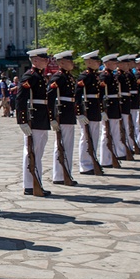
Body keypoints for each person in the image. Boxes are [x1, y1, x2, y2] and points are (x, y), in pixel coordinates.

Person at [16, 48, 52, 196]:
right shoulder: (29, 76)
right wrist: (22, 120)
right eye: (44, 59)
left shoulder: (39, 76)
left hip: (41, 117)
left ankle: (36, 181)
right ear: (35, 60)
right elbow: (21, 98)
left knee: (38, 152)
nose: (47, 61)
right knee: (31, 152)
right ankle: (29, 184)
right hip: (34, 117)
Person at [48, 51, 80, 185]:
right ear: (61, 63)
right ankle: (59, 175)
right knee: (61, 145)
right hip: (62, 113)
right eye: (69, 61)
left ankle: (65, 173)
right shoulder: (58, 78)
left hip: (68, 113)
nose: (72, 63)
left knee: (68, 145)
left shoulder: (69, 77)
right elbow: (50, 97)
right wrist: (52, 117)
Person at [76, 51, 104, 175]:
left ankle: (91, 161)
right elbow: (77, 95)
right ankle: (85, 165)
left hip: (95, 108)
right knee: (86, 137)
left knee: (94, 136)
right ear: (88, 62)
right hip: (88, 109)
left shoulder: (95, 76)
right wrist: (79, 112)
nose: (98, 63)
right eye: (95, 61)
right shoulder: (84, 77)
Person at [99, 54, 124, 166]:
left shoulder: (111, 75)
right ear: (107, 63)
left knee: (114, 132)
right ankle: (105, 159)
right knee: (107, 133)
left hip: (114, 106)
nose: (116, 65)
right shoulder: (105, 76)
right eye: (114, 63)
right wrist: (102, 110)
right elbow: (101, 95)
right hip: (109, 106)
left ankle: (111, 156)